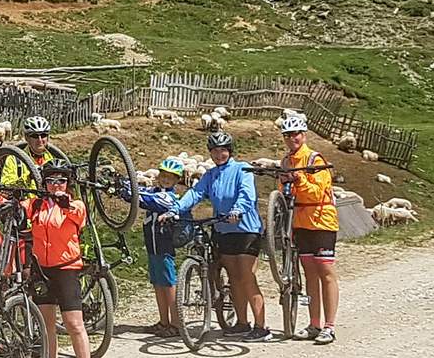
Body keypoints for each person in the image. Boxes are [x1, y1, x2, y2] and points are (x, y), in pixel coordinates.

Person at [170, 132, 272, 341]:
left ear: (230, 151)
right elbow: (196, 193)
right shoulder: (210, 175)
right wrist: (176, 208)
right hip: (223, 230)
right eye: (215, 151)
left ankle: (261, 327)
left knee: (246, 277)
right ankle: (242, 323)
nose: (219, 155)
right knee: (234, 278)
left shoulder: (242, 169)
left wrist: (237, 210)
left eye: (223, 150)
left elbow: (247, 194)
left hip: (246, 229)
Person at [25, 161, 98, 358]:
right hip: (41, 269)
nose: (56, 185)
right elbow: (15, 207)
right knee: (47, 325)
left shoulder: (75, 205)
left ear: (68, 183)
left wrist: (64, 203)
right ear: (44, 183)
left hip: (67, 268)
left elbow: (80, 218)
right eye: (51, 181)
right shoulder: (36, 205)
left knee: (74, 324)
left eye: (61, 181)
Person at [277, 112, 341, 345]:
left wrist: (299, 179)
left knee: (326, 271)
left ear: (303, 135)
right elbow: (284, 194)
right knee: (310, 273)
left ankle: (330, 326)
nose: (291, 138)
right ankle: (314, 323)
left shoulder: (315, 159)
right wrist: (285, 182)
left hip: (321, 221)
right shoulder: (286, 161)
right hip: (300, 222)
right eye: (287, 135)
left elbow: (317, 192)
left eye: (295, 134)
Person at [138, 157, 187, 335]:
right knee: (157, 283)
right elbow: (142, 193)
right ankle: (163, 321)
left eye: (171, 177)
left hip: (164, 245)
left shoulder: (170, 197)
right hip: (152, 244)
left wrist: (131, 193)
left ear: (176, 180)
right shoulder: (153, 190)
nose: (166, 179)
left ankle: (176, 324)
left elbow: (146, 200)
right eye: (164, 175)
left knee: (168, 283)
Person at [0, 115, 56, 189]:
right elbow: (6, 187)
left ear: (47, 137)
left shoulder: (52, 158)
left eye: (43, 135)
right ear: (27, 138)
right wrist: (29, 177)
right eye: (35, 136)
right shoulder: (14, 159)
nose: (40, 140)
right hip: (26, 196)